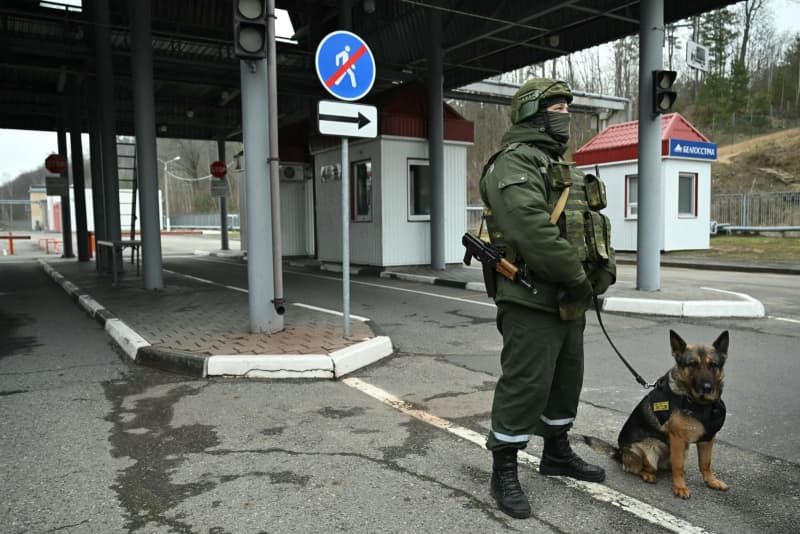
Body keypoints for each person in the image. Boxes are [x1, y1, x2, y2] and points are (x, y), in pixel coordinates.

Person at [479, 78, 617, 519]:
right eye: (556, 108)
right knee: (525, 384)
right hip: (530, 297)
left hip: (570, 297)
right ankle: (503, 468)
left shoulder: (561, 165)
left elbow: (588, 225)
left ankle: (556, 451)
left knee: (565, 380)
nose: (565, 116)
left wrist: (600, 274)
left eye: (566, 109)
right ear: (531, 113)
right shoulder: (512, 164)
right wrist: (577, 279)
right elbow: (532, 230)